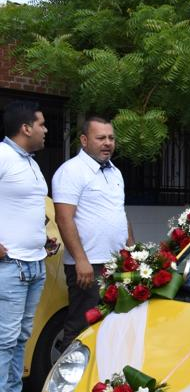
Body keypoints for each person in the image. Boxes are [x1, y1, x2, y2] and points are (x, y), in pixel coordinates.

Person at [53, 116, 134, 351]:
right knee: (81, 327)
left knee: (113, 327)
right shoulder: (71, 171)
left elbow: (120, 213)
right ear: (84, 140)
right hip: (89, 266)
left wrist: (131, 252)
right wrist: (80, 260)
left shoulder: (115, 172)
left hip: (116, 263)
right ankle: (67, 385)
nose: (107, 143)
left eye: (111, 138)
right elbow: (63, 218)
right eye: (101, 138)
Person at [0, 101, 51, 392]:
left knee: (21, 337)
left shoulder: (30, 163)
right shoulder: (2, 156)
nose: (46, 130)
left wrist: (42, 238)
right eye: (42, 124)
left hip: (33, 262)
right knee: (3, 340)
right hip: (10, 266)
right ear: (25, 128)